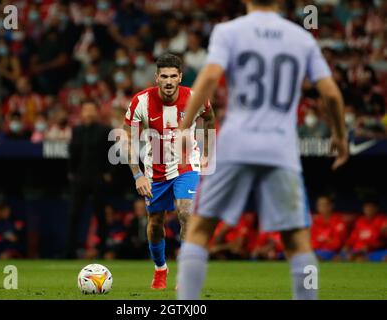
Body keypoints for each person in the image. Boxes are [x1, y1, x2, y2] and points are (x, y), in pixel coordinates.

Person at [176, 0, 348, 300]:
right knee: (297, 240)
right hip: (280, 149)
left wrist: (184, 126)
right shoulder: (302, 37)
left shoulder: (228, 31)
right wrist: (340, 136)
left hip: (235, 144)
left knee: (201, 228)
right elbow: (331, 94)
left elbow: (210, 77)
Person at [123, 53, 215, 289]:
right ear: (156, 78)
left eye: (173, 76)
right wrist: (138, 174)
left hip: (187, 165)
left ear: (180, 77)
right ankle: (160, 269)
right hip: (155, 171)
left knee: (186, 212)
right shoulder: (140, 102)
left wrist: (207, 150)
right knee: (155, 223)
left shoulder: (195, 97)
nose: (169, 81)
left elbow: (210, 119)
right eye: (164, 76)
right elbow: (128, 140)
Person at [65, 100, 113, 259]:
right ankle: (70, 250)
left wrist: (108, 173)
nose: (88, 112)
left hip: (98, 177)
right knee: (74, 214)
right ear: (82, 112)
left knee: (100, 214)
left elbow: (113, 154)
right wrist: (72, 172)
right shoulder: (77, 130)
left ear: (96, 111)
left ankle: (102, 249)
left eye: (91, 109)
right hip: (80, 177)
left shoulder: (105, 130)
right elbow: (72, 152)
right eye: (85, 109)